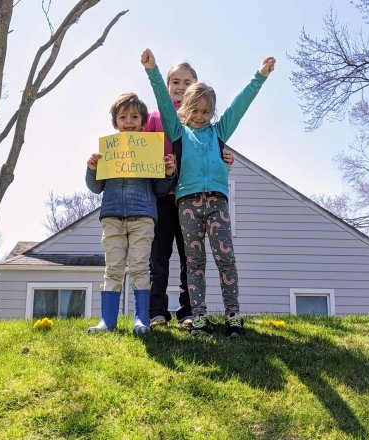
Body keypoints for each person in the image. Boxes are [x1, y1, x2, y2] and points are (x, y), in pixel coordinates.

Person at [141, 48, 275, 337]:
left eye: (206, 112)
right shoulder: (177, 132)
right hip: (186, 204)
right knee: (195, 261)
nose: (200, 116)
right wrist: (153, 70)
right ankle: (198, 316)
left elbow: (240, 106)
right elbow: (163, 100)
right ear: (184, 109)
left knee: (225, 258)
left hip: (217, 203)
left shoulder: (218, 132)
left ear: (212, 113)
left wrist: (259, 77)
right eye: (195, 111)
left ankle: (232, 315)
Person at [145, 62, 234, 329]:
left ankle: (188, 311)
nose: (181, 87)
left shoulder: (200, 119)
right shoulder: (157, 117)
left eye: (187, 82)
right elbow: (142, 150)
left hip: (190, 197)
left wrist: (223, 154)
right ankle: (157, 311)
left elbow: (209, 149)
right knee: (158, 256)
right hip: (163, 194)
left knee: (189, 257)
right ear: (168, 85)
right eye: (176, 82)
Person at [85, 92, 176, 335]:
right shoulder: (108, 151)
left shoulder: (150, 151)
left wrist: (167, 173)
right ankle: (107, 320)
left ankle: (141, 319)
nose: (129, 121)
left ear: (144, 122)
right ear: (115, 123)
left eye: (135, 116)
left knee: (139, 267)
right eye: (123, 117)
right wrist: (92, 169)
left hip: (143, 217)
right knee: (113, 267)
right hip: (112, 216)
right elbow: (95, 188)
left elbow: (159, 189)